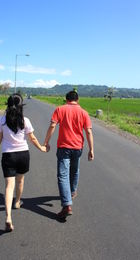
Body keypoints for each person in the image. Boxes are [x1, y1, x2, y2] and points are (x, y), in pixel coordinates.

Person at [0, 94, 48, 232]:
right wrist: (41, 147)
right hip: (23, 154)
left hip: (8, 155)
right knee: (20, 180)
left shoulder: (1, 120)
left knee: (8, 186)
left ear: (8, 104)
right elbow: (32, 138)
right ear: (20, 105)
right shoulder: (25, 120)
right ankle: (17, 202)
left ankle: (8, 217)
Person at [44, 90, 94, 219]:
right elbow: (88, 132)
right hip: (78, 147)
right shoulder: (84, 112)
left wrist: (46, 142)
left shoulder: (60, 109)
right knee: (74, 170)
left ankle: (67, 205)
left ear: (66, 99)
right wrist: (91, 149)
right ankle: (71, 192)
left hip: (64, 147)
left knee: (63, 175)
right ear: (78, 100)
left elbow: (52, 125)